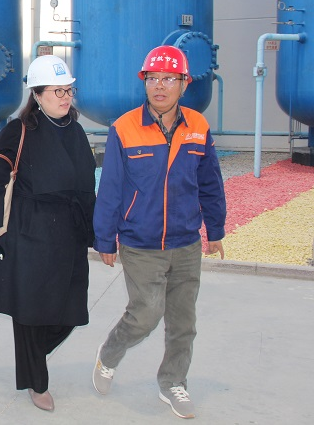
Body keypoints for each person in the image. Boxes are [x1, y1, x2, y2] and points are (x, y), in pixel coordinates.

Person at [91, 45, 226, 419]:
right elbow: (111, 188)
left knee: (184, 322)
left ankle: (173, 382)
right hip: (141, 243)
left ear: (184, 83)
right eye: (153, 78)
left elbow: (210, 183)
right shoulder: (124, 128)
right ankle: (109, 353)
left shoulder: (198, 127)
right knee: (146, 314)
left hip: (186, 243)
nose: (160, 86)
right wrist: (105, 238)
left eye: (168, 79)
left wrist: (215, 228)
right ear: (145, 82)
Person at [0, 55, 96, 412]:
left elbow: (87, 189)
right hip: (30, 230)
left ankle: (30, 358)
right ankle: (37, 381)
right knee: (30, 309)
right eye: (58, 91)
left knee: (70, 311)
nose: (66, 97)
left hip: (70, 231)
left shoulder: (75, 131)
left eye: (69, 90)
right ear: (37, 94)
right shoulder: (19, 130)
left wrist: (98, 233)